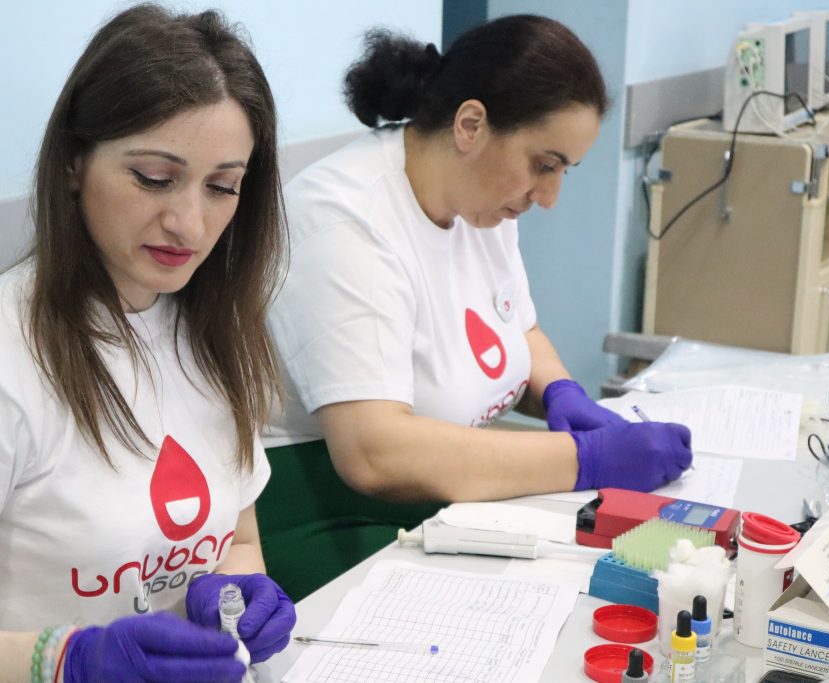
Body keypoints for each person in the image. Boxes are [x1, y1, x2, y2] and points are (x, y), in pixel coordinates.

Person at [0, 5, 295, 682]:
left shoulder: (213, 332)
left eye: (221, 187)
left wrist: (238, 594)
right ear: (72, 163)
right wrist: (67, 662)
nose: (188, 222)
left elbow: (235, 542)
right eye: (154, 178)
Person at [258, 15, 694, 601]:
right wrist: (585, 458)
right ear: (470, 125)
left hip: (439, 493)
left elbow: (518, 327)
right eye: (544, 165)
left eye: (564, 170)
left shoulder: (480, 203)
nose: (550, 197)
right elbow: (373, 453)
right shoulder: (344, 222)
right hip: (322, 510)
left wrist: (561, 392)